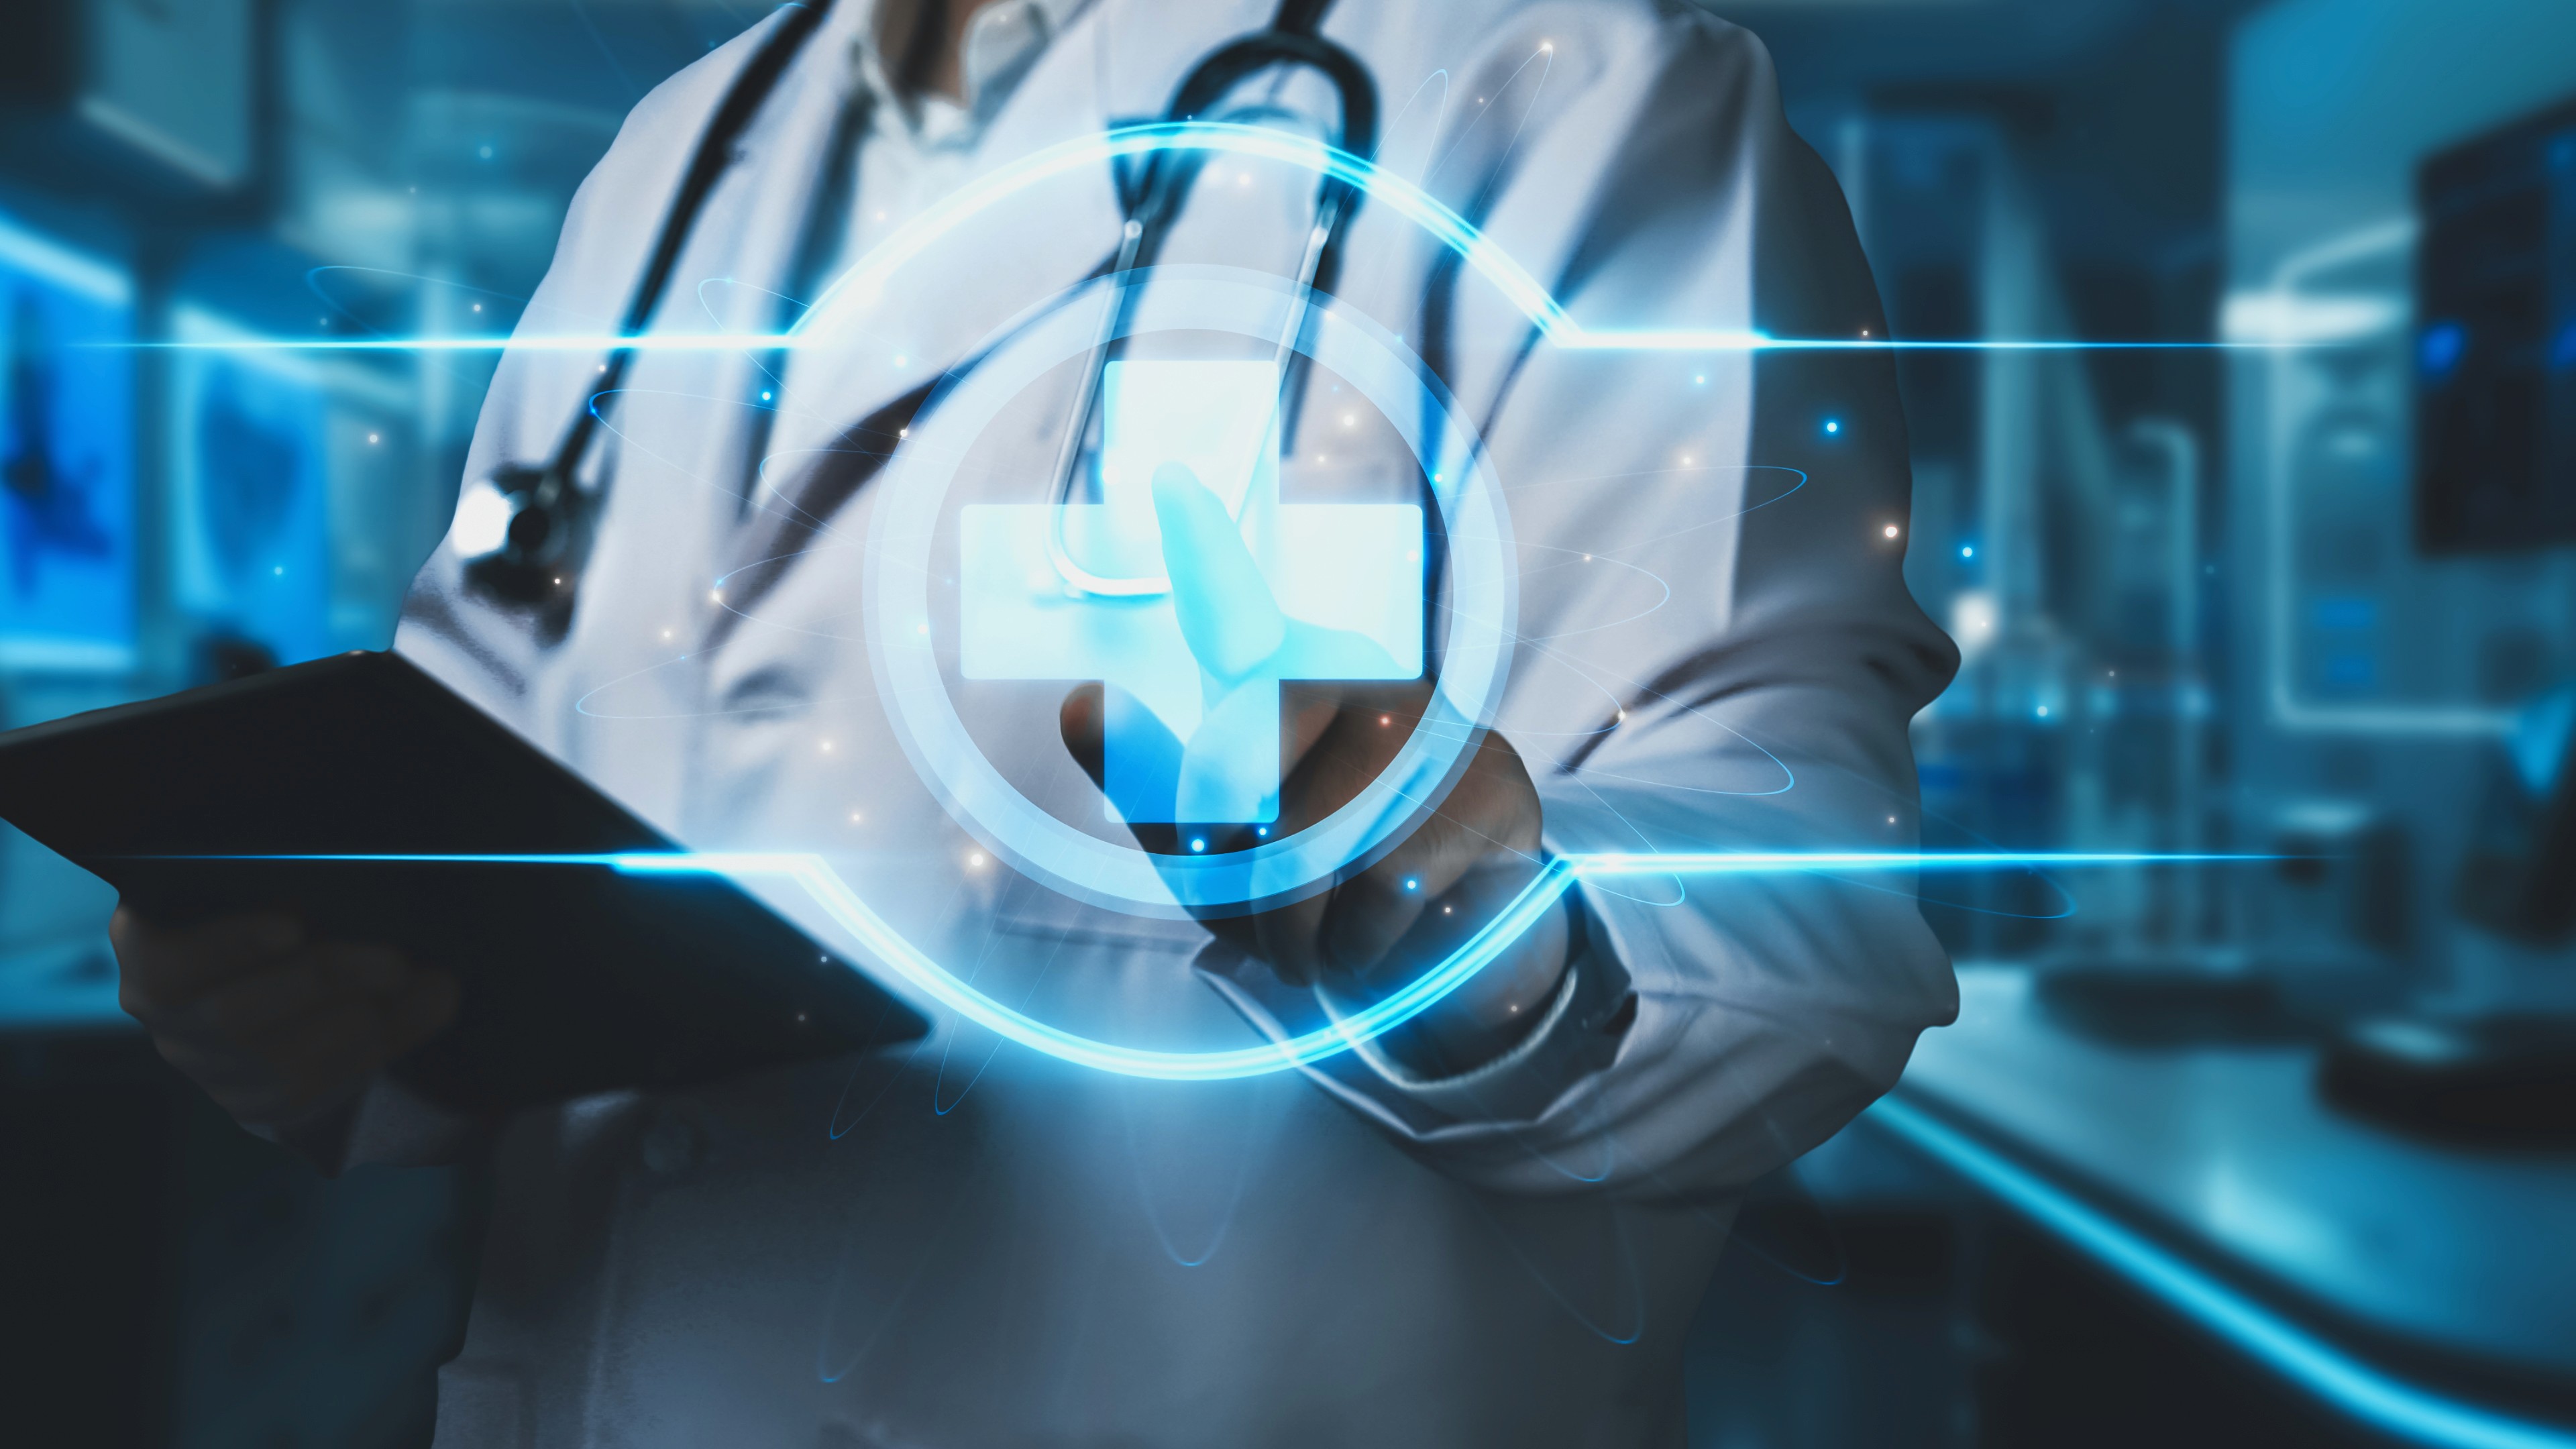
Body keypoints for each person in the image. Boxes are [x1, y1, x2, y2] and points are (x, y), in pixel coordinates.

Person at [111, 0, 1960, 1443]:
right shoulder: (671, 164)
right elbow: (504, 757)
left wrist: (1442, 908)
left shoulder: (1567, 101)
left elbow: (1811, 916)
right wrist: (339, 1006)